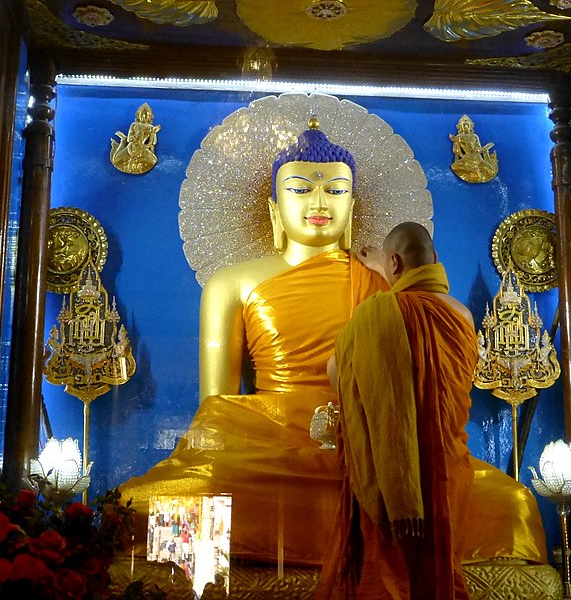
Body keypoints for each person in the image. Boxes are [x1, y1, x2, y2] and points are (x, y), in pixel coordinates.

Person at [120, 121, 548, 570]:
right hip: (271, 448)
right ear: (273, 207)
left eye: (337, 191)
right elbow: (215, 409)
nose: (320, 202)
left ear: (354, 205)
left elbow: (412, 388)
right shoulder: (232, 283)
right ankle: (204, 580)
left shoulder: (385, 285)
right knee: (153, 509)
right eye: (301, 190)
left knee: (511, 502)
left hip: (375, 443)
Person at [316, 222, 475, 599]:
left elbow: (335, 372)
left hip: (389, 474)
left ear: (394, 262)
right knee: (439, 560)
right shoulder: (462, 316)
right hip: (447, 469)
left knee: (388, 572)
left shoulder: (374, 316)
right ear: (435, 260)